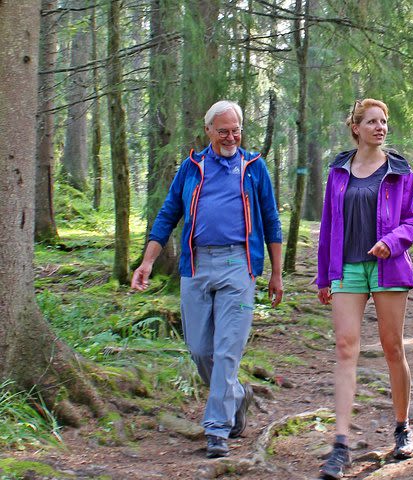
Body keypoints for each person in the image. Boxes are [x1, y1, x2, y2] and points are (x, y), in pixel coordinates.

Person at [131, 100, 283, 459]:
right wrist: (147, 262)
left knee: (228, 350)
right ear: (209, 131)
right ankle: (238, 396)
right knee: (200, 349)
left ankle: (216, 429)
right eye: (224, 131)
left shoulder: (254, 168)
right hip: (196, 266)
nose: (231, 137)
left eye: (236, 130)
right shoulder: (191, 167)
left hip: (239, 266)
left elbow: (272, 221)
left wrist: (276, 273)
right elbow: (168, 215)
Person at [315, 98, 413, 479]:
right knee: (345, 348)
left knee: (393, 347)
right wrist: (324, 276)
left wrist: (391, 242)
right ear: (356, 127)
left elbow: (412, 220)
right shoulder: (339, 171)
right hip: (347, 268)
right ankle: (339, 444)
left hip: (388, 267)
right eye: (372, 121)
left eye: (384, 121)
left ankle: (403, 426)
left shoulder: (399, 169)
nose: (380, 127)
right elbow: (328, 223)